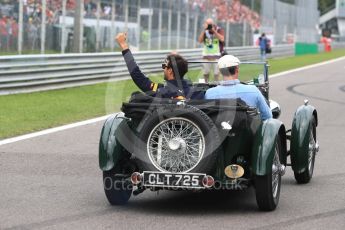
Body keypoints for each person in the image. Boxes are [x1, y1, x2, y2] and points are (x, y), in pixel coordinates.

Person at [115, 32, 202, 99]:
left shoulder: (162, 91)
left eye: (164, 66)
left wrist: (124, 45)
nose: (163, 69)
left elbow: (139, 78)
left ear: (170, 71)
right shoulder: (197, 93)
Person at [205, 55, 272, 120]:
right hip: (248, 130)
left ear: (220, 71)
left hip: (219, 130)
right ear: (237, 69)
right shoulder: (253, 90)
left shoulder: (210, 93)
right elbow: (267, 116)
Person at [198, 18, 225, 83]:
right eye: (208, 24)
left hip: (216, 56)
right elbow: (200, 40)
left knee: (216, 73)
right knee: (205, 73)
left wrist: (214, 31)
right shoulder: (205, 31)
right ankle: (205, 85)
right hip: (206, 56)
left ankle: (217, 85)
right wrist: (204, 30)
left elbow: (222, 39)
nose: (209, 25)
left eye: (210, 24)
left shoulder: (218, 29)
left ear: (213, 23)